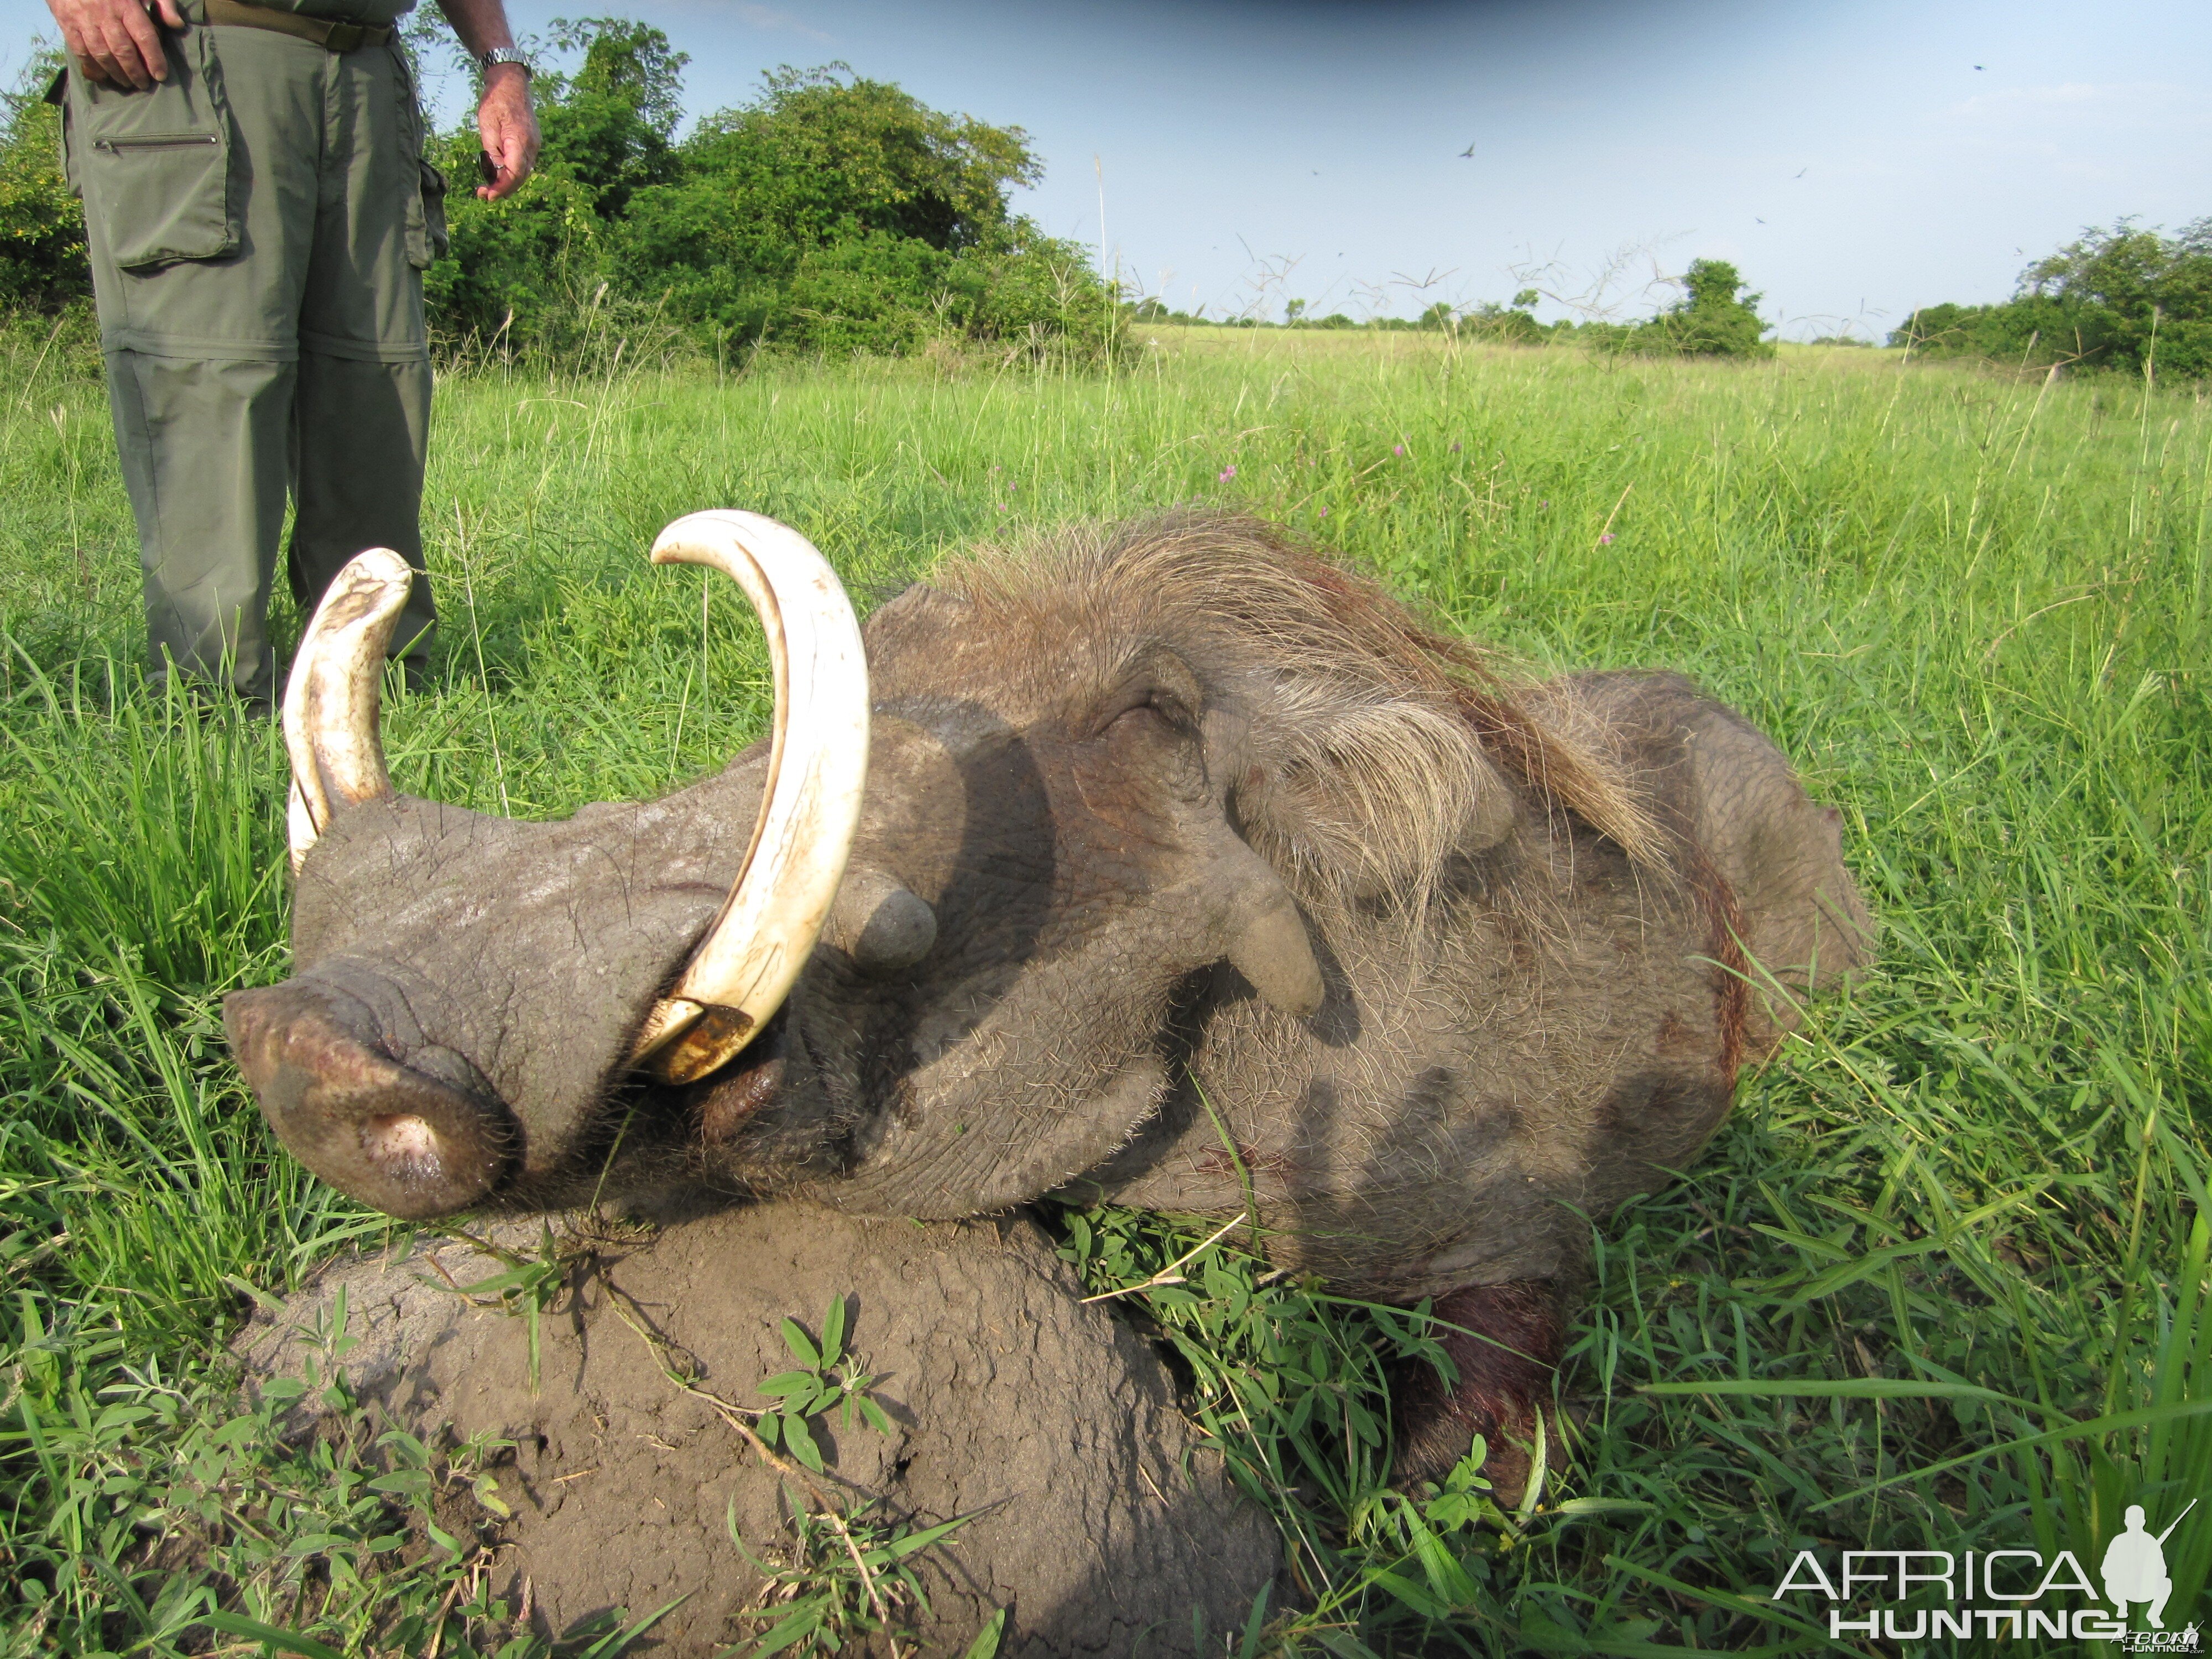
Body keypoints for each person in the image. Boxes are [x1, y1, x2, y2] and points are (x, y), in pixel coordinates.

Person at [42, 0, 540, 706]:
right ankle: (210, 729)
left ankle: (379, 705)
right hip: (194, 52)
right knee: (213, 387)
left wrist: (500, 63)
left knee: (375, 393)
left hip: (369, 72)